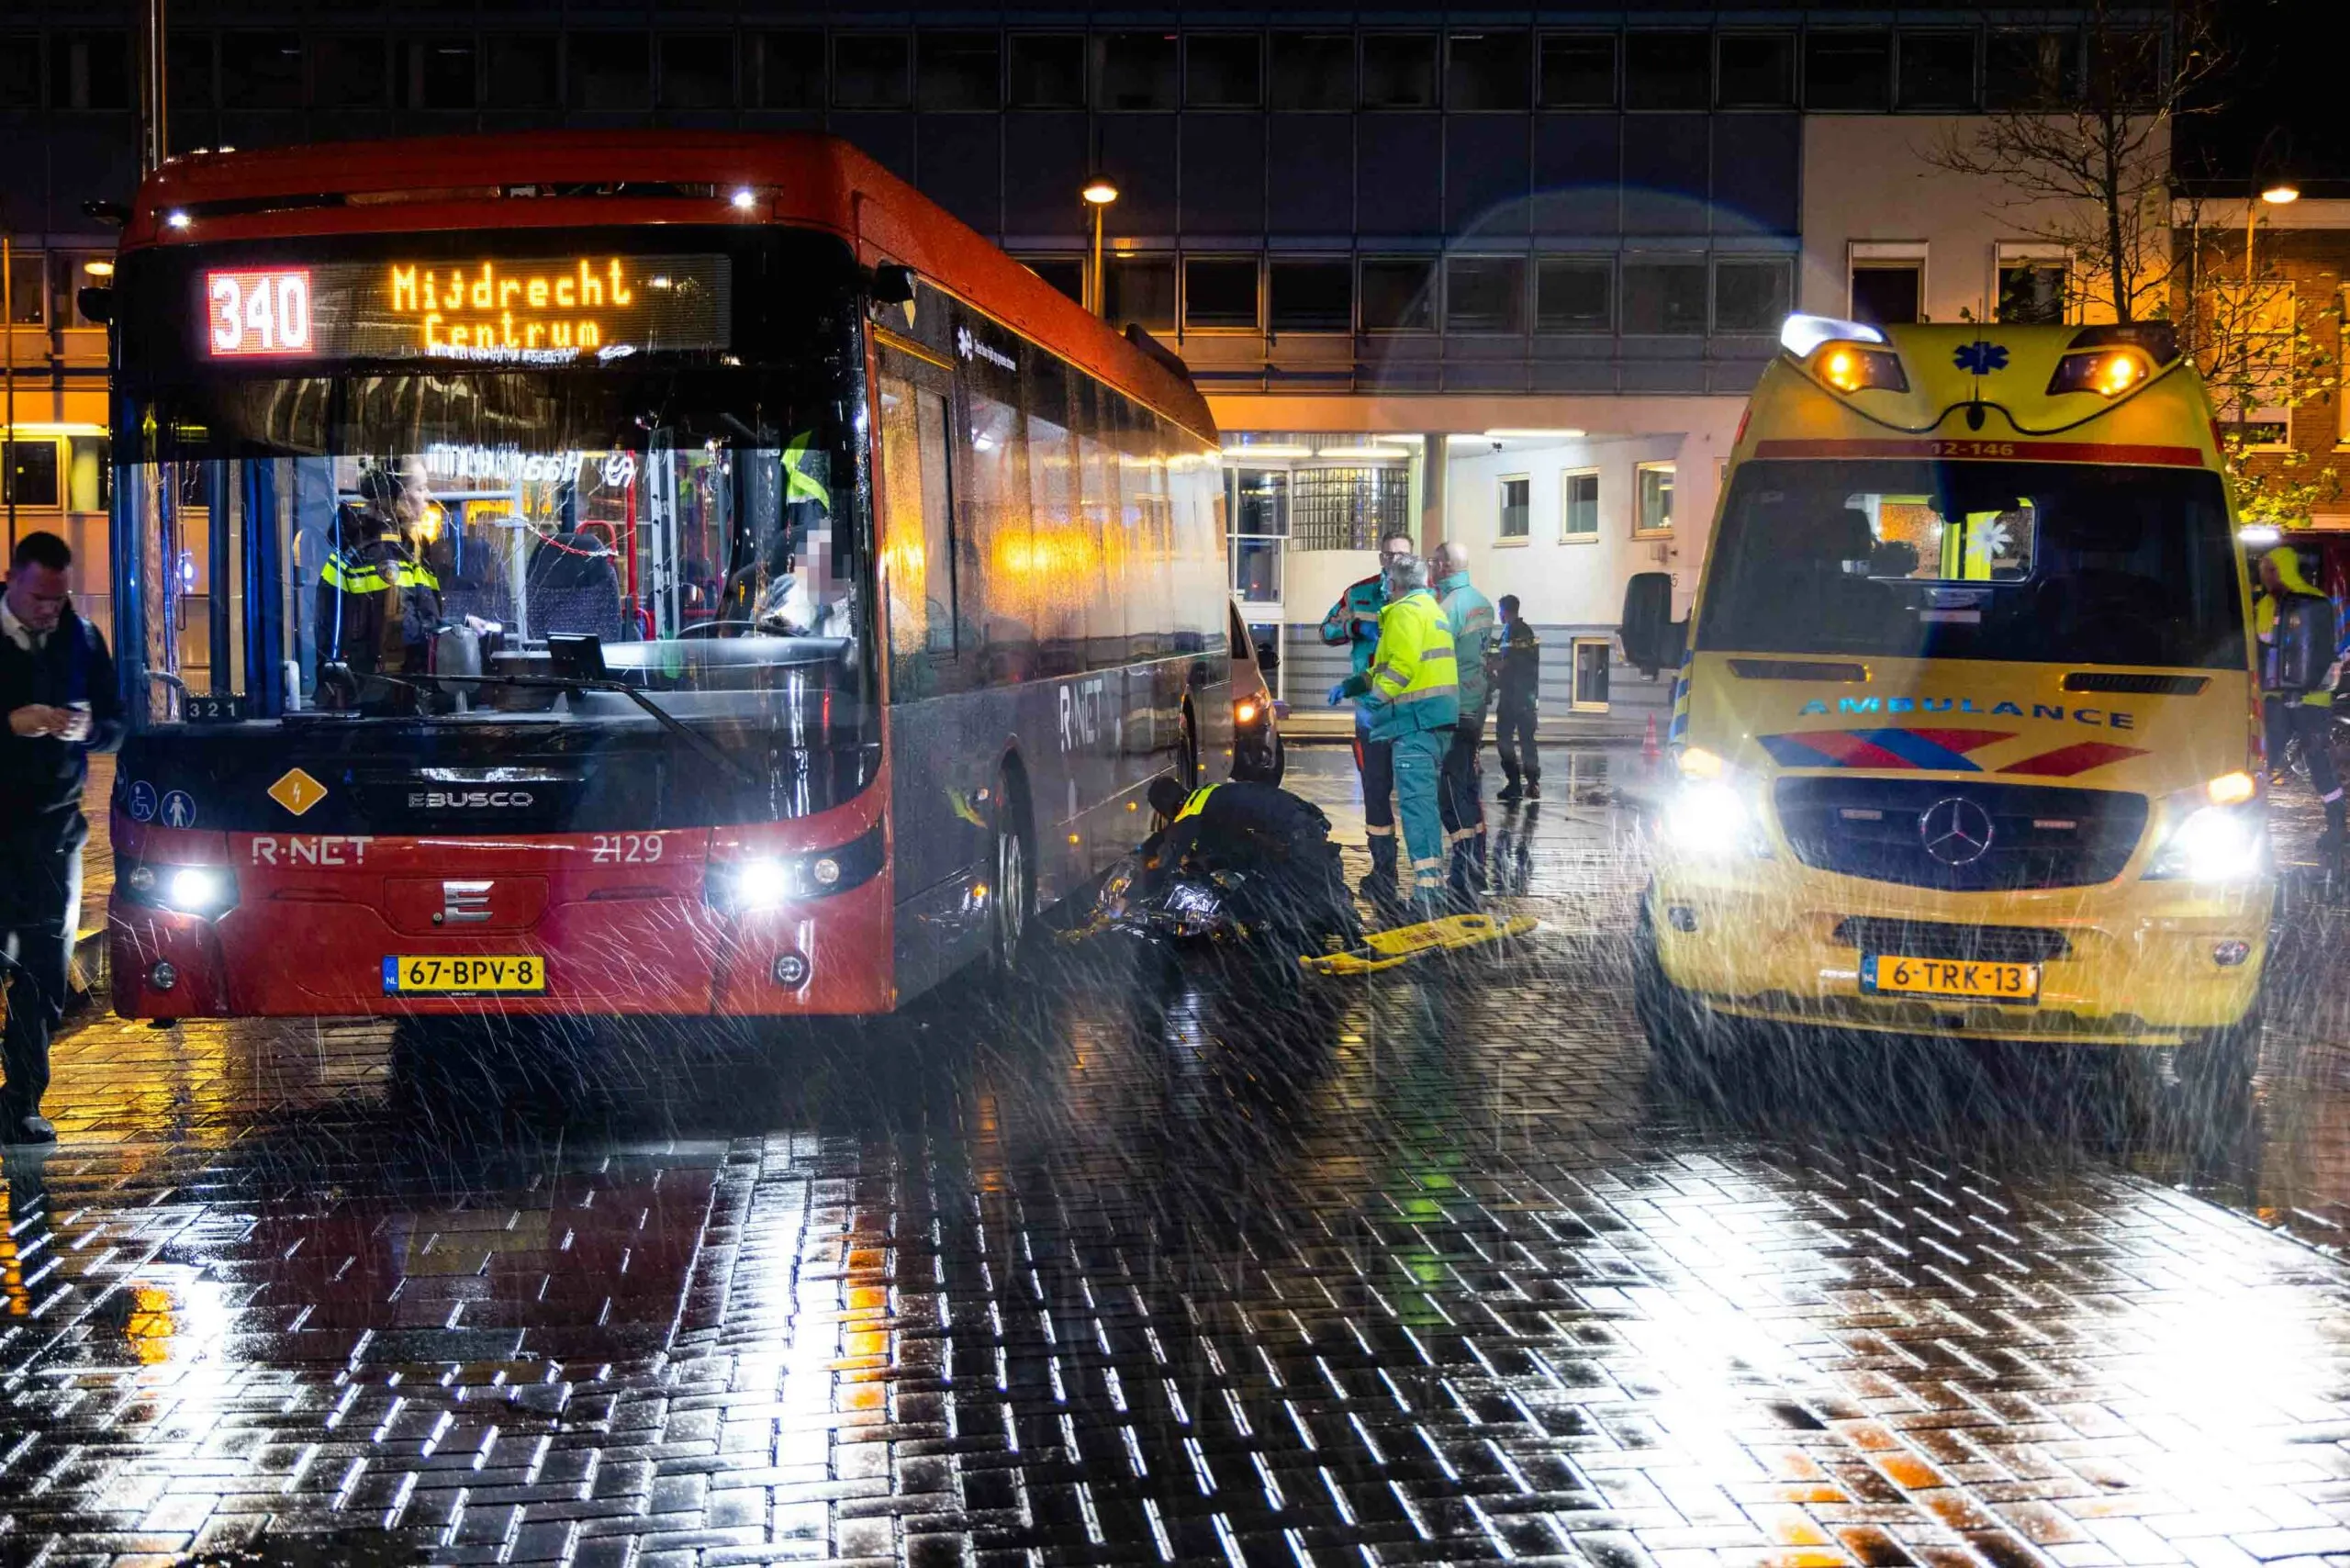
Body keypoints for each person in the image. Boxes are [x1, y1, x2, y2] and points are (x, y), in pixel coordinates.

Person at [1, 532, 125, 1146]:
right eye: (40, 598)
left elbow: (117, 723)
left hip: (54, 829)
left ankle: (21, 1103)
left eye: (59, 598)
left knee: (45, 970)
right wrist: (9, 723)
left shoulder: (82, 638)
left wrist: (89, 730)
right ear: (12, 580)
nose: (50, 610)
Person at [1326, 553, 1459, 922]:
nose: (1383, 585)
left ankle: (1428, 895)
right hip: (1434, 722)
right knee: (1423, 805)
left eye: (1387, 579)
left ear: (1395, 583)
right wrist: (1351, 685)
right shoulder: (1429, 610)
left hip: (1414, 723)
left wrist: (1372, 704)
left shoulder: (1403, 612)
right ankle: (1432, 889)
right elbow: (1383, 666)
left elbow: (1399, 670)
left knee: (1417, 808)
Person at [1140, 776, 1360, 952]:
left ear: (1166, 807)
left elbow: (1168, 860)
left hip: (1295, 832)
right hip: (1304, 819)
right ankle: (1325, 926)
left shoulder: (1191, 811)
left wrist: (1136, 892)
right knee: (1299, 882)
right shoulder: (1207, 796)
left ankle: (1351, 932)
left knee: (1303, 886)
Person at [1319, 531, 1416, 909]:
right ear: (1380, 558)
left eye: (1402, 554)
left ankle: (1429, 873)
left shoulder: (1426, 594)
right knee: (1376, 792)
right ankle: (1384, 870)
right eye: (1389, 554)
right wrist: (1355, 627)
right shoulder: (1358, 594)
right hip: (1371, 711)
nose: (1395, 561)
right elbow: (1326, 630)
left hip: (1413, 711)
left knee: (1417, 793)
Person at [315, 459, 443, 688]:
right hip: (380, 693)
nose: (428, 497)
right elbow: (400, 632)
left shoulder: (403, 548)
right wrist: (455, 629)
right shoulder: (381, 555)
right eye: (420, 488)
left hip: (384, 689)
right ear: (394, 498)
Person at [2257, 544, 2345, 858]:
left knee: (2279, 759)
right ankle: (2335, 824)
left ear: (2280, 570)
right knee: (2306, 759)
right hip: (2297, 697)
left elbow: (2264, 640)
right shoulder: (2309, 600)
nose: (2265, 577)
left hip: (2292, 697)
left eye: (2268, 570)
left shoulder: (2286, 602)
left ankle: (2334, 824)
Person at [1432, 543, 1495, 907]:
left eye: (1433, 562)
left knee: (1450, 792)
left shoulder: (1448, 607)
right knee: (1468, 788)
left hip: (1453, 709)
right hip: (1475, 707)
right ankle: (1475, 866)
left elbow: (1436, 657)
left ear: (1444, 566)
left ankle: (1463, 871)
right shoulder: (1481, 602)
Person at [1490, 595, 1541, 802]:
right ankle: (1530, 783)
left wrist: (1491, 667)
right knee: (1526, 740)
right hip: (1524, 697)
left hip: (1513, 698)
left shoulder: (1515, 632)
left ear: (1504, 611)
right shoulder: (1522, 631)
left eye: (1500, 611)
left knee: (1506, 739)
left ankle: (1516, 783)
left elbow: (1509, 662)